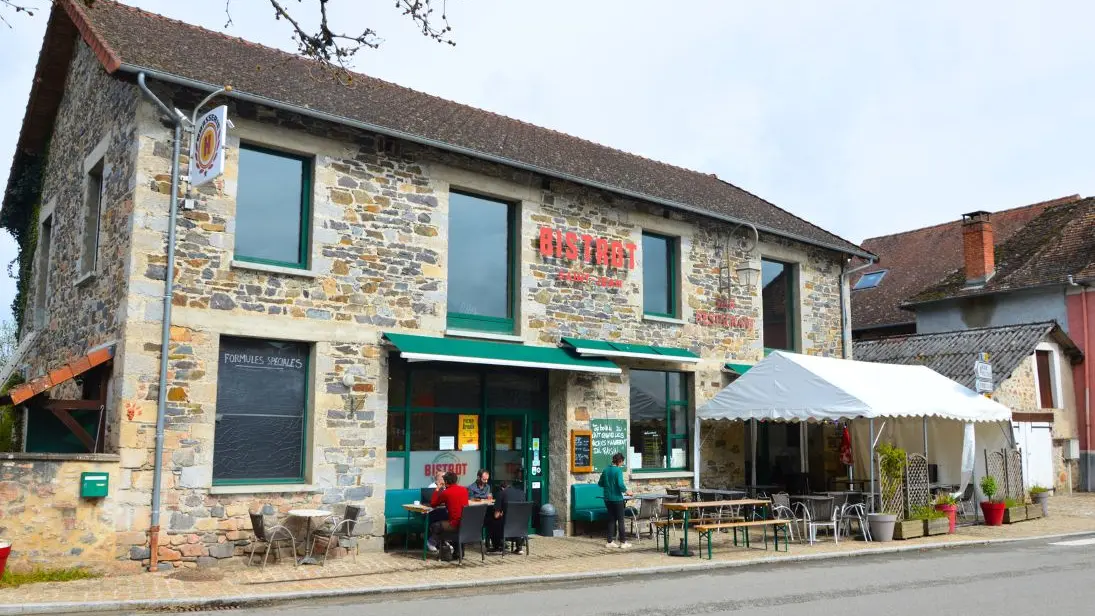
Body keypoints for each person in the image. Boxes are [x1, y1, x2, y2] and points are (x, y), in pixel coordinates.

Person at [427, 472, 469, 554]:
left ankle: (435, 542)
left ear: (446, 482)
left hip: (454, 524)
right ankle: (455, 550)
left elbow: (433, 504)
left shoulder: (446, 492)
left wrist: (437, 489)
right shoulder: (464, 489)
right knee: (444, 517)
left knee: (434, 526)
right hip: (465, 523)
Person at [598, 451, 632, 549]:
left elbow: (600, 483)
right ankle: (623, 542)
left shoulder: (605, 470)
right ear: (619, 461)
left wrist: (609, 484)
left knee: (611, 520)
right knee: (621, 520)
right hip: (617, 499)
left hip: (607, 498)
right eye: (622, 462)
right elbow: (621, 485)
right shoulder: (618, 471)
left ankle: (610, 542)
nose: (622, 464)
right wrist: (627, 491)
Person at [487, 480, 526, 555]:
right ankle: (519, 547)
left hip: (507, 524)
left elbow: (496, 515)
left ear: (502, 488)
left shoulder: (501, 494)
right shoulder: (521, 493)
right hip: (520, 524)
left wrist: (501, 513)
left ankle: (497, 546)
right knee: (515, 520)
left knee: (492, 521)